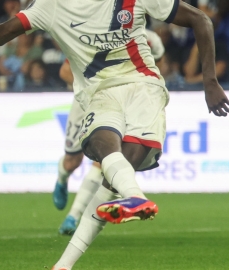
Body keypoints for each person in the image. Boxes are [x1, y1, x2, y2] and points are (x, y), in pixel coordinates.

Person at [0, 0, 229, 269]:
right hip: (99, 92)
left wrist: (210, 82)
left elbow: (201, 19)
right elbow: (3, 32)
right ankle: (135, 200)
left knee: (116, 175)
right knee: (101, 148)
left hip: (143, 86)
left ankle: (73, 254)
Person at [54, 29, 165, 236]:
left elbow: (157, 68)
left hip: (125, 105)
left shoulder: (152, 41)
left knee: (105, 160)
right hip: (89, 104)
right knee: (72, 162)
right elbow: (65, 72)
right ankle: (62, 177)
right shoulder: (98, 32)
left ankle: (73, 216)